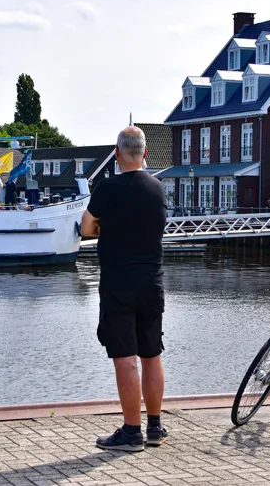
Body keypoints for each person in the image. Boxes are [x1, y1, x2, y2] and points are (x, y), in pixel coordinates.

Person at [81, 126, 168, 452]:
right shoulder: (158, 189)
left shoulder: (107, 188)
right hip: (152, 284)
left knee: (125, 358)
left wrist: (108, 227)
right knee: (152, 355)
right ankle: (155, 427)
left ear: (117, 154)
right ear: (145, 154)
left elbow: (86, 227)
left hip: (118, 284)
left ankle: (132, 432)